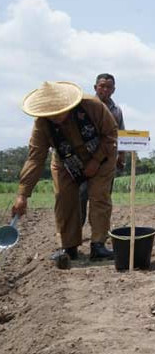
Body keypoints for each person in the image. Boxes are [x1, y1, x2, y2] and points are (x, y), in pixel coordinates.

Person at [12, 81, 118, 267]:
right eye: (51, 115)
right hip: (65, 160)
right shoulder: (42, 124)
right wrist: (23, 194)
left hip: (102, 156)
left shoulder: (93, 106)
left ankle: (98, 245)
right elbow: (35, 158)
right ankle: (68, 247)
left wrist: (95, 161)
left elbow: (111, 134)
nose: (56, 118)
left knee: (98, 196)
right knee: (63, 198)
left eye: (59, 112)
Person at [79, 73, 125, 226]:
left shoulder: (116, 110)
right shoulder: (84, 106)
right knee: (80, 196)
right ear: (95, 87)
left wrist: (121, 157)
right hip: (85, 160)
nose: (105, 89)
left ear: (114, 89)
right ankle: (76, 233)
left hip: (107, 161)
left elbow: (121, 134)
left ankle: (98, 237)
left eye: (109, 87)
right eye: (102, 86)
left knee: (102, 198)